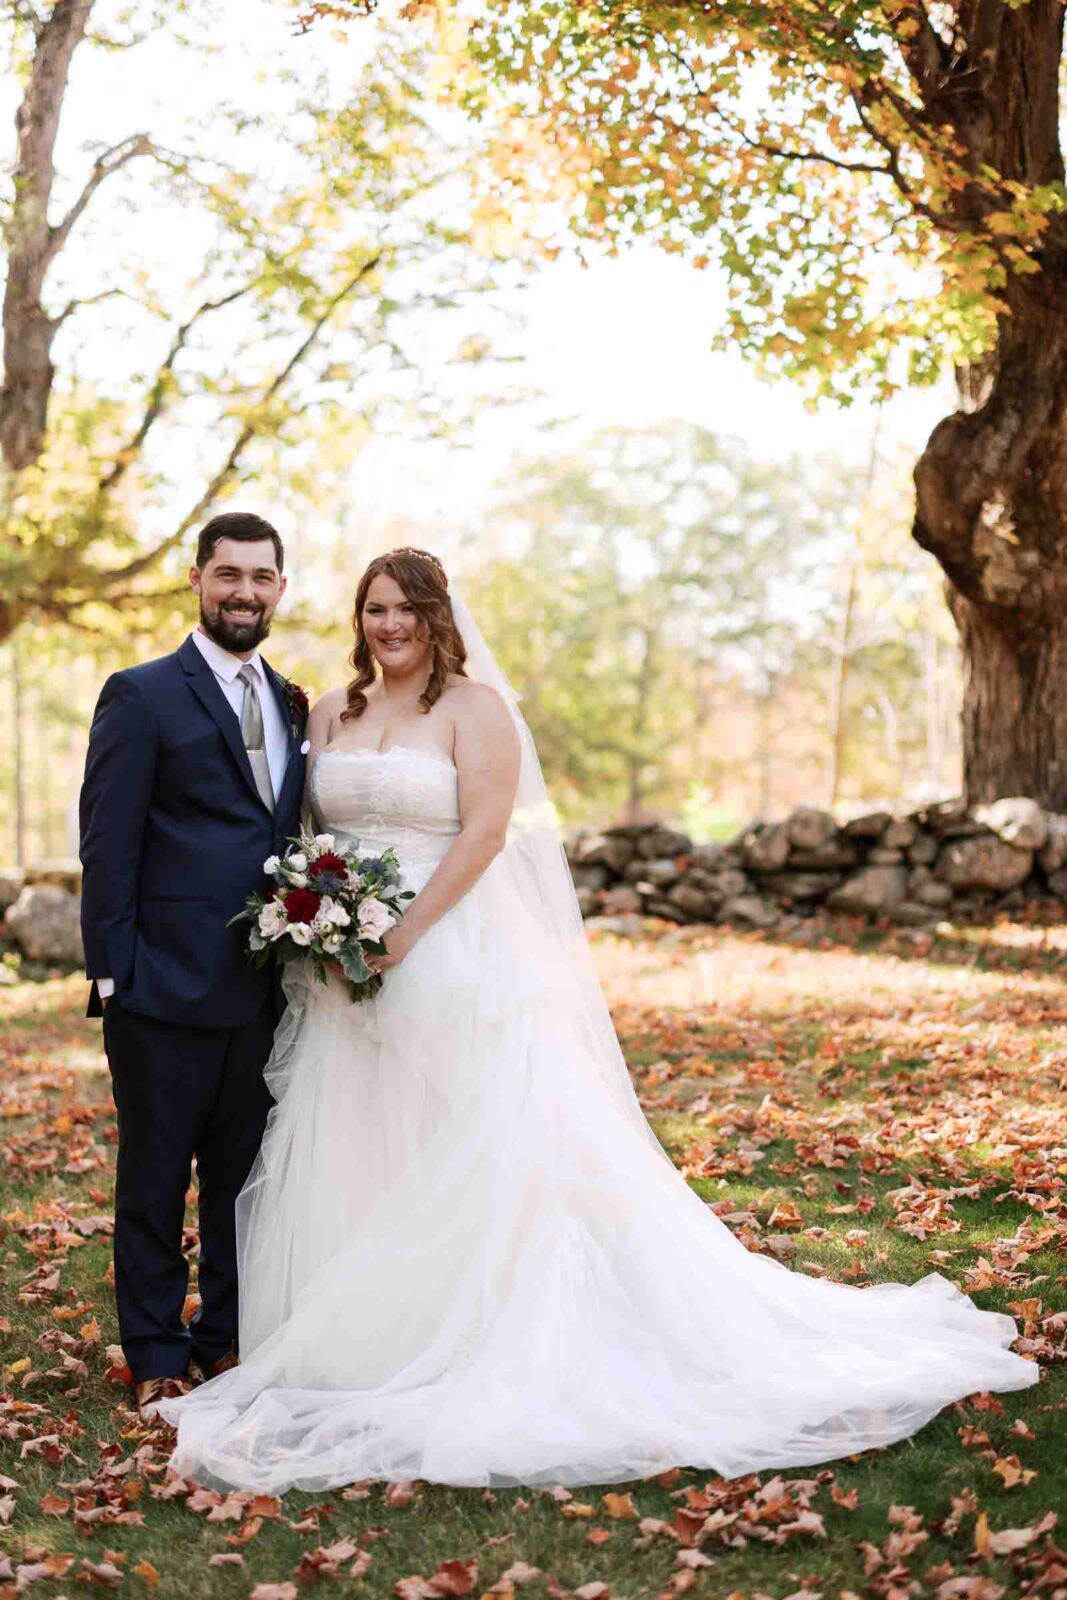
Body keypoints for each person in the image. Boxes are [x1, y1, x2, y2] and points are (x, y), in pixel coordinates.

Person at [157, 546, 1038, 1491]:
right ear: (357, 617)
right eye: (375, 608)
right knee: (355, 1135)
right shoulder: (331, 710)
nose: (390, 624)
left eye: (408, 608)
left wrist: (404, 935)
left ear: (437, 616)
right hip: (337, 966)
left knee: (467, 1139)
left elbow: (487, 833)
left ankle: (476, 1326)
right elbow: (307, 834)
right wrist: (319, 916)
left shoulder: (476, 710)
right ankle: (356, 1343)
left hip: (445, 947)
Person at [79, 512, 307, 1418]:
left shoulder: (293, 701)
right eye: (227, 575)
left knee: (242, 1182)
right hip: (160, 986)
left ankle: (224, 1342)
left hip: (264, 988)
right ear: (197, 580)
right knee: (154, 1179)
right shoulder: (140, 695)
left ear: (280, 588)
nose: (244, 592)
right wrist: (113, 974)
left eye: (260, 577)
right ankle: (155, 1349)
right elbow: (109, 843)